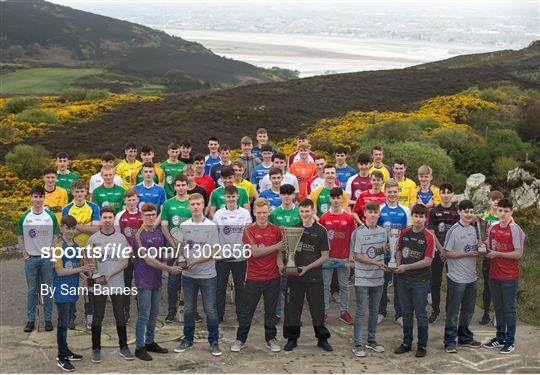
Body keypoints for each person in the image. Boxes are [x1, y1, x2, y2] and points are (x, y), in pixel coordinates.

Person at [232, 198, 285, 353]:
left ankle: (271, 339)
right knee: (247, 311)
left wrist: (281, 265)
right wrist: (276, 246)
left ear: (269, 212)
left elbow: (279, 253)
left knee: (270, 311)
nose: (262, 216)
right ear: (254, 212)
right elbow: (255, 252)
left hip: (273, 277)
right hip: (254, 278)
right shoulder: (248, 230)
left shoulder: (276, 230)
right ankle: (240, 339)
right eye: (259, 213)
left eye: (264, 212)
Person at [175, 193, 223, 356]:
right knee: (188, 310)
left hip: (208, 275)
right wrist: (179, 260)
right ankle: (188, 339)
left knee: (210, 310)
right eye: (192, 204)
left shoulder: (211, 225)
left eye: (198, 204)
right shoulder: (184, 225)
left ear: (203, 205)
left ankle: (214, 341)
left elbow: (215, 250)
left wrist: (195, 262)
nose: (195, 207)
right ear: (189, 206)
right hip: (188, 276)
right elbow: (181, 247)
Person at [133, 203, 181, 361]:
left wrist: (175, 253)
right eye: (147, 215)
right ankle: (139, 347)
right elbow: (148, 260)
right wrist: (169, 269)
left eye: (153, 215)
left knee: (154, 314)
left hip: (156, 280)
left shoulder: (158, 233)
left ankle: (150, 342)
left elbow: (160, 256)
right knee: (144, 315)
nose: (150, 218)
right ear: (142, 216)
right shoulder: (138, 236)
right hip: (143, 281)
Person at [283, 199, 332, 352]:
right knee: (293, 310)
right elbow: (287, 253)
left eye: (307, 211)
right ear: (299, 212)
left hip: (314, 277)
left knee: (317, 309)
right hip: (295, 277)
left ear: (313, 211)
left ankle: (322, 339)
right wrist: (287, 265)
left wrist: (308, 267)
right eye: (302, 211)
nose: (304, 214)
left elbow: (325, 256)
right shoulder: (293, 229)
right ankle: (292, 339)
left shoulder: (321, 231)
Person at [87, 206, 134, 363]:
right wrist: (94, 273)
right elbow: (89, 261)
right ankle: (96, 348)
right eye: (104, 217)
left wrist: (110, 275)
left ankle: (124, 346)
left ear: (114, 220)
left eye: (110, 217)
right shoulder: (93, 239)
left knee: (119, 315)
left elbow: (125, 262)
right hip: (99, 285)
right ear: (100, 219)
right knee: (98, 316)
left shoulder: (121, 238)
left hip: (116, 282)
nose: (107, 220)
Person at [483, 198, 525, 354]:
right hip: (494, 274)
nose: (502, 214)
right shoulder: (492, 227)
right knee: (498, 308)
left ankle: (510, 341)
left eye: (506, 211)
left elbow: (518, 254)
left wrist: (498, 254)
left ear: (511, 212)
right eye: (500, 210)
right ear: (496, 211)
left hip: (509, 276)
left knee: (509, 309)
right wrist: (481, 246)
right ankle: (500, 338)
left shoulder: (515, 229)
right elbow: (489, 245)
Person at [394, 204, 434, 358]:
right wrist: (398, 264)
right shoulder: (404, 233)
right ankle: (406, 342)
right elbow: (398, 250)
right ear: (412, 216)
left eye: (421, 217)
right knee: (406, 312)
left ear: (425, 218)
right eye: (415, 216)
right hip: (403, 279)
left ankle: (422, 345)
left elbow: (428, 261)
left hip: (420, 280)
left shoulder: (428, 236)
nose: (418, 219)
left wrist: (406, 267)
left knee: (421, 313)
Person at [442, 199, 482, 353]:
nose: (469, 214)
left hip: (471, 277)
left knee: (468, 311)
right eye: (466, 211)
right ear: (459, 212)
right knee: (453, 312)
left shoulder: (473, 229)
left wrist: (480, 247)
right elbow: (446, 253)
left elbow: (474, 249)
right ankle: (449, 341)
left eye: (471, 212)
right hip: (456, 278)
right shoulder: (454, 230)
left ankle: (465, 337)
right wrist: (465, 253)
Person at [18, 185, 59, 333]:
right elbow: (20, 236)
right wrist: (25, 254)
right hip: (31, 259)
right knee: (32, 290)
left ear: (44, 198)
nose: (38, 199)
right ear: (31, 198)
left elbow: (56, 234)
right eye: (35, 196)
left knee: (47, 289)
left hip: (46, 259)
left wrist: (51, 251)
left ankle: (48, 320)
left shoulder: (50, 216)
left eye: (40, 196)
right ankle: (31, 320)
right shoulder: (25, 217)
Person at [53, 214, 90, 371]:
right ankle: (61, 357)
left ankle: (65, 350)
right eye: (67, 228)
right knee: (62, 324)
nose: (70, 231)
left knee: (67, 322)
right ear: (62, 228)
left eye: (73, 228)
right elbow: (60, 271)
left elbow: (76, 267)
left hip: (72, 290)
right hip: (61, 291)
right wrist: (81, 269)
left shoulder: (77, 247)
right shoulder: (57, 248)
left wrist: (86, 274)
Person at [351, 202, 387, 357]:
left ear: (379, 214)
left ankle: (371, 341)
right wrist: (376, 263)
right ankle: (357, 344)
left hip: (378, 278)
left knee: (374, 311)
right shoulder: (358, 232)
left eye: (375, 212)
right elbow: (357, 255)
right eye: (370, 212)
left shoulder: (384, 231)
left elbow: (383, 251)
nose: (373, 215)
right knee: (361, 311)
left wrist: (388, 250)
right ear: (364, 214)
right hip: (362, 278)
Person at [62, 179, 100, 329]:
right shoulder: (67, 209)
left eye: (82, 191)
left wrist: (75, 227)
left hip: (89, 249)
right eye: (76, 191)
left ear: (86, 192)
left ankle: (90, 316)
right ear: (72, 192)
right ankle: (71, 316)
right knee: (71, 283)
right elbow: (65, 231)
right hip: (71, 249)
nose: (79, 194)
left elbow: (96, 229)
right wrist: (86, 226)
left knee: (90, 282)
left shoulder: (93, 207)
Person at [213, 185, 252, 322]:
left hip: (239, 257)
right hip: (222, 257)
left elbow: (248, 233)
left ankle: (241, 314)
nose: (231, 199)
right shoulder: (218, 214)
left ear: (237, 197)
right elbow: (214, 234)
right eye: (228, 197)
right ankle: (219, 315)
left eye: (233, 197)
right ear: (224, 197)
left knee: (240, 287)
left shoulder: (245, 214)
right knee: (220, 288)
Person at [319, 187, 356, 325]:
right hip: (328, 258)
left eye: (338, 198)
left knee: (344, 286)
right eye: (333, 198)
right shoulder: (323, 218)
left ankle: (344, 312)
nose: (335, 201)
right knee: (325, 286)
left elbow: (352, 239)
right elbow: (321, 241)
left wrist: (351, 256)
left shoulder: (349, 218)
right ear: (330, 199)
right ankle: (323, 312)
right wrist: (323, 257)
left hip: (344, 258)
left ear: (342, 199)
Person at [377, 179, 410, 326]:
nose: (392, 194)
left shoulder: (406, 210)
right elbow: (375, 231)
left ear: (398, 192)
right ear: (385, 192)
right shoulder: (379, 209)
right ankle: (380, 312)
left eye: (395, 192)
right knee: (381, 283)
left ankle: (400, 314)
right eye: (389, 192)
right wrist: (383, 244)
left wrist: (399, 249)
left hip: (399, 254)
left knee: (399, 284)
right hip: (383, 253)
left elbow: (408, 232)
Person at [160, 175, 192, 323]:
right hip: (172, 248)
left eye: (183, 185)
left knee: (190, 280)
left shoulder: (193, 201)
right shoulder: (168, 204)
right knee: (172, 281)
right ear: (175, 187)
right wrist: (174, 245)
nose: (180, 188)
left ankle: (190, 310)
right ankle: (171, 311)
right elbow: (165, 226)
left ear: (187, 185)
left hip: (190, 249)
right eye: (178, 185)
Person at [427, 182, 459, 323]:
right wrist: (442, 250)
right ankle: (435, 311)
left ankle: (450, 312)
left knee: (452, 283)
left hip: (452, 253)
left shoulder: (457, 211)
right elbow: (432, 232)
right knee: (436, 283)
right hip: (438, 252)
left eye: (448, 192)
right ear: (439, 194)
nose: (446, 195)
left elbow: (458, 233)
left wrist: (449, 251)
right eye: (443, 192)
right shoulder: (433, 211)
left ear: (452, 194)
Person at [269, 184, 302, 321]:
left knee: (294, 288)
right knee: (278, 286)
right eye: (284, 193)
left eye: (289, 193)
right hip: (280, 254)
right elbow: (270, 234)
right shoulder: (274, 213)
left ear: (294, 195)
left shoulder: (300, 211)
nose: (287, 196)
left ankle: (293, 315)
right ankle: (276, 314)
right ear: (280, 195)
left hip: (296, 254)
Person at [114, 189, 143, 323]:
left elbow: (144, 235)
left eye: (134, 199)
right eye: (129, 200)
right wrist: (127, 249)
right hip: (125, 254)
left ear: (137, 200)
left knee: (140, 283)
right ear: (125, 201)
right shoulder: (120, 215)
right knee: (126, 284)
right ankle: (125, 310)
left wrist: (137, 250)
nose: (131, 202)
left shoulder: (142, 215)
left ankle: (141, 309)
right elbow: (118, 235)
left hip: (140, 255)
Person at [479, 190, 503, 325]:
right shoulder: (484, 218)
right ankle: (486, 313)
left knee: (499, 286)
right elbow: (481, 236)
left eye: (498, 200)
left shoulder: (505, 217)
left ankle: (497, 314)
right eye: (493, 199)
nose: (495, 202)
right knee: (487, 285)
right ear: (489, 201)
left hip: (500, 256)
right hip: (487, 255)